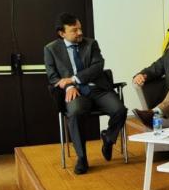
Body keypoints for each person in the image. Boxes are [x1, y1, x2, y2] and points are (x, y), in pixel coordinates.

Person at [44, 13, 127, 175]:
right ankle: (82, 158)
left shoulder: (91, 44)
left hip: (97, 89)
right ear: (62, 33)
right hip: (76, 93)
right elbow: (53, 77)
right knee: (75, 113)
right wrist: (69, 87)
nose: (80, 33)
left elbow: (97, 66)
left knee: (120, 110)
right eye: (74, 30)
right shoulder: (51, 49)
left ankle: (108, 139)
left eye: (80, 28)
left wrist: (73, 79)